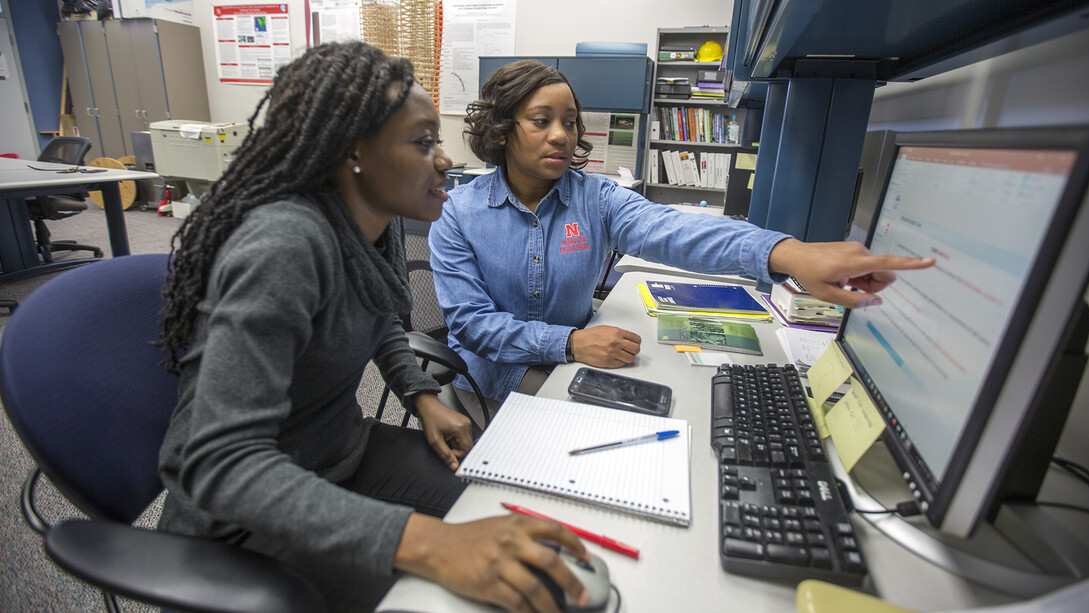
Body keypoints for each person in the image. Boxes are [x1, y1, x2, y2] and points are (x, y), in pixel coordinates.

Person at [156, 43, 592, 613]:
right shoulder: (284, 246)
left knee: (499, 512)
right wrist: (430, 545)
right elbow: (219, 462)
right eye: (422, 142)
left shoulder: (372, 224)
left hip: (340, 455)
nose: (443, 161)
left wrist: (421, 395)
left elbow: (380, 316)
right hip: (240, 518)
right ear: (353, 152)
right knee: (452, 593)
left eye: (439, 140)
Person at [429, 59, 934, 416]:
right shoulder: (459, 213)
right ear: (502, 130)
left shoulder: (596, 198)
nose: (562, 135)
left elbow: (672, 229)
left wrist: (789, 254)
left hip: (575, 359)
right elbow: (472, 327)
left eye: (570, 122)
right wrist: (571, 341)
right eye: (542, 121)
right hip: (495, 376)